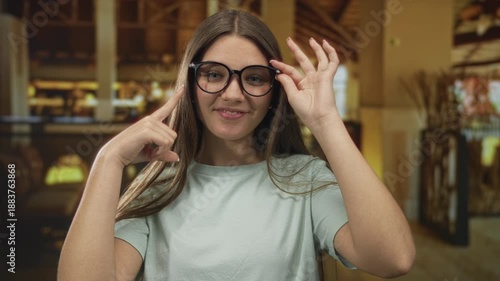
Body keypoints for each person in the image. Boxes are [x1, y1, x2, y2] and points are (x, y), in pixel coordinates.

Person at [58, 9, 415, 281]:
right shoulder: (160, 187)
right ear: (191, 82)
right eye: (214, 74)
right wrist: (108, 159)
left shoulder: (304, 180)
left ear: (274, 91)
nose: (233, 94)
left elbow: (393, 258)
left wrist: (325, 122)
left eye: (254, 78)